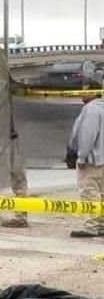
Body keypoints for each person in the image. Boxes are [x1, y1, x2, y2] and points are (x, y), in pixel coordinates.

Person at [67, 77, 104, 238]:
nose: (81, 94)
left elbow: (87, 135)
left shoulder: (91, 109)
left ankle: (91, 226)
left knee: (89, 193)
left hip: (92, 160)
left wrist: (81, 157)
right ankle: (101, 224)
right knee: (101, 193)